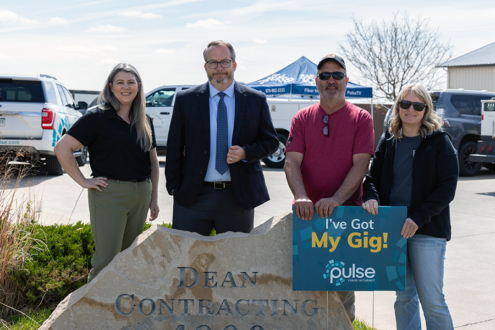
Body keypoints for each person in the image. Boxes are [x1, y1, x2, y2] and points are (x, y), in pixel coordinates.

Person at [284, 54, 375, 322]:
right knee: (307, 295)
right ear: (316, 82)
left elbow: (361, 165)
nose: (331, 80)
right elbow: (291, 161)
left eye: (337, 75)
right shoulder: (301, 118)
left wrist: (336, 199)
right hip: (307, 219)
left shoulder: (361, 118)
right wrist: (300, 195)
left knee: (342, 295)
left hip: (346, 219)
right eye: (325, 75)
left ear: (346, 81)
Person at [362, 83, 458, 329]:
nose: (410, 110)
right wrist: (370, 196)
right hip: (393, 230)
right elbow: (371, 178)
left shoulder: (439, 142)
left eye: (417, 105)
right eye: (405, 104)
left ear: (426, 110)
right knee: (404, 298)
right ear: (398, 107)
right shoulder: (389, 141)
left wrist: (418, 218)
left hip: (426, 230)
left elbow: (447, 188)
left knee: (433, 301)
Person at [54, 63, 160, 282]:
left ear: (138, 87)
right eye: (120, 82)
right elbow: (62, 148)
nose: (126, 87)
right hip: (110, 194)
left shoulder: (144, 120)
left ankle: (121, 308)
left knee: (129, 257)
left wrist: (154, 198)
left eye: (131, 82)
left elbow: (153, 161)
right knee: (106, 260)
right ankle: (93, 311)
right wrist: (83, 181)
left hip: (142, 193)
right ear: (111, 87)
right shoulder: (97, 118)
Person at [165, 40, 279, 236]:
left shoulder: (255, 99)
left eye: (224, 62)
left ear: (234, 65)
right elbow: (174, 146)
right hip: (194, 196)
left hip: (237, 196)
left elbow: (271, 142)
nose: (219, 68)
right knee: (186, 260)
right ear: (205, 67)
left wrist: (245, 152)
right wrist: (174, 186)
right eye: (213, 63)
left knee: (235, 264)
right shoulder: (186, 100)